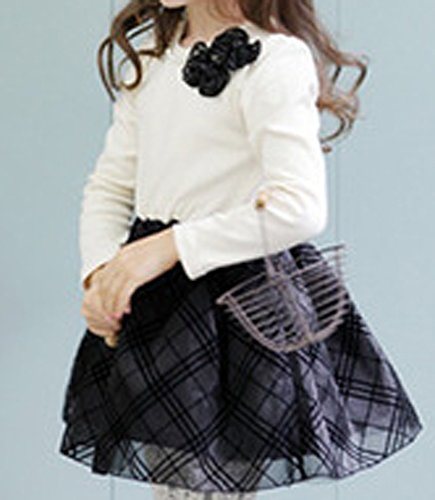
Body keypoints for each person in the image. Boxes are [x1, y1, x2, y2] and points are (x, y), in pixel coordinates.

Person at [58, 1, 423, 499]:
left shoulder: (275, 60)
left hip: (235, 305)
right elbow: (110, 186)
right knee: (171, 482)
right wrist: (102, 275)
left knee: (213, 483)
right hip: (154, 301)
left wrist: (169, 246)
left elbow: (299, 207)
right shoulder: (150, 62)